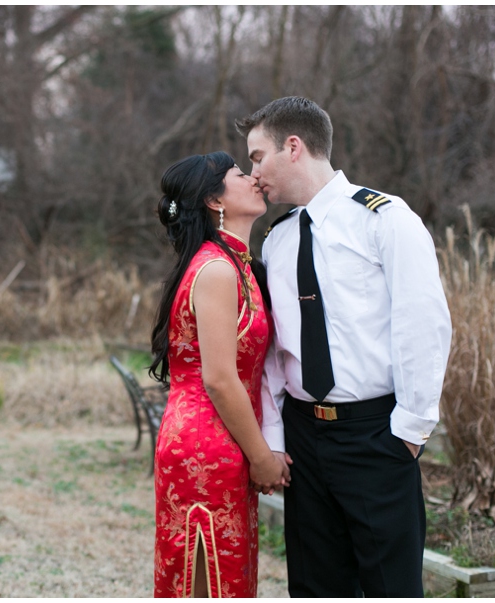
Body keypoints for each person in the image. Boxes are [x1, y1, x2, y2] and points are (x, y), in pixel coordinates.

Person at [235, 97, 452, 597]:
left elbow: (424, 324)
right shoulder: (277, 240)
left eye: (257, 156)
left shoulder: (385, 219)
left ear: (293, 147)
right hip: (304, 441)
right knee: (315, 585)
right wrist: (274, 436)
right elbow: (275, 353)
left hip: (376, 435)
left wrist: (410, 430)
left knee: (388, 586)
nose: (254, 172)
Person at [149, 151, 290, 598]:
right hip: (204, 447)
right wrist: (263, 457)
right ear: (215, 200)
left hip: (226, 441)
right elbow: (220, 379)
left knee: (229, 576)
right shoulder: (214, 269)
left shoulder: (238, 265)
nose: (253, 179)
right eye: (239, 174)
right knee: (207, 577)